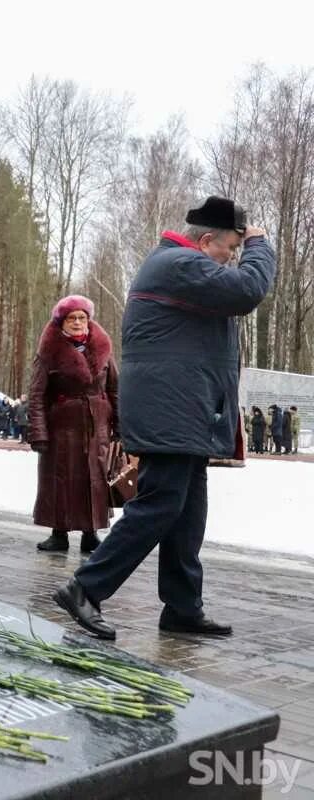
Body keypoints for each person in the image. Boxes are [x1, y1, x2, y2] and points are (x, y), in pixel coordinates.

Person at [54, 196, 275, 640]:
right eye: (230, 250)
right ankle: (85, 587)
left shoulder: (181, 268)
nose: (232, 259)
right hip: (170, 410)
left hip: (184, 409)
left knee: (188, 509)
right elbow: (248, 290)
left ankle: (182, 607)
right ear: (207, 240)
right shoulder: (178, 264)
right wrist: (260, 246)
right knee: (160, 503)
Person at [28, 295, 118, 554]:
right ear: (62, 322)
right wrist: (39, 432)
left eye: (82, 317)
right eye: (72, 318)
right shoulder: (49, 353)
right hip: (62, 429)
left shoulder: (103, 350)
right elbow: (36, 394)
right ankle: (59, 534)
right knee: (61, 480)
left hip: (96, 426)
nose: (78, 322)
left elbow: (115, 389)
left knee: (94, 479)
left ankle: (91, 534)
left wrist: (120, 425)